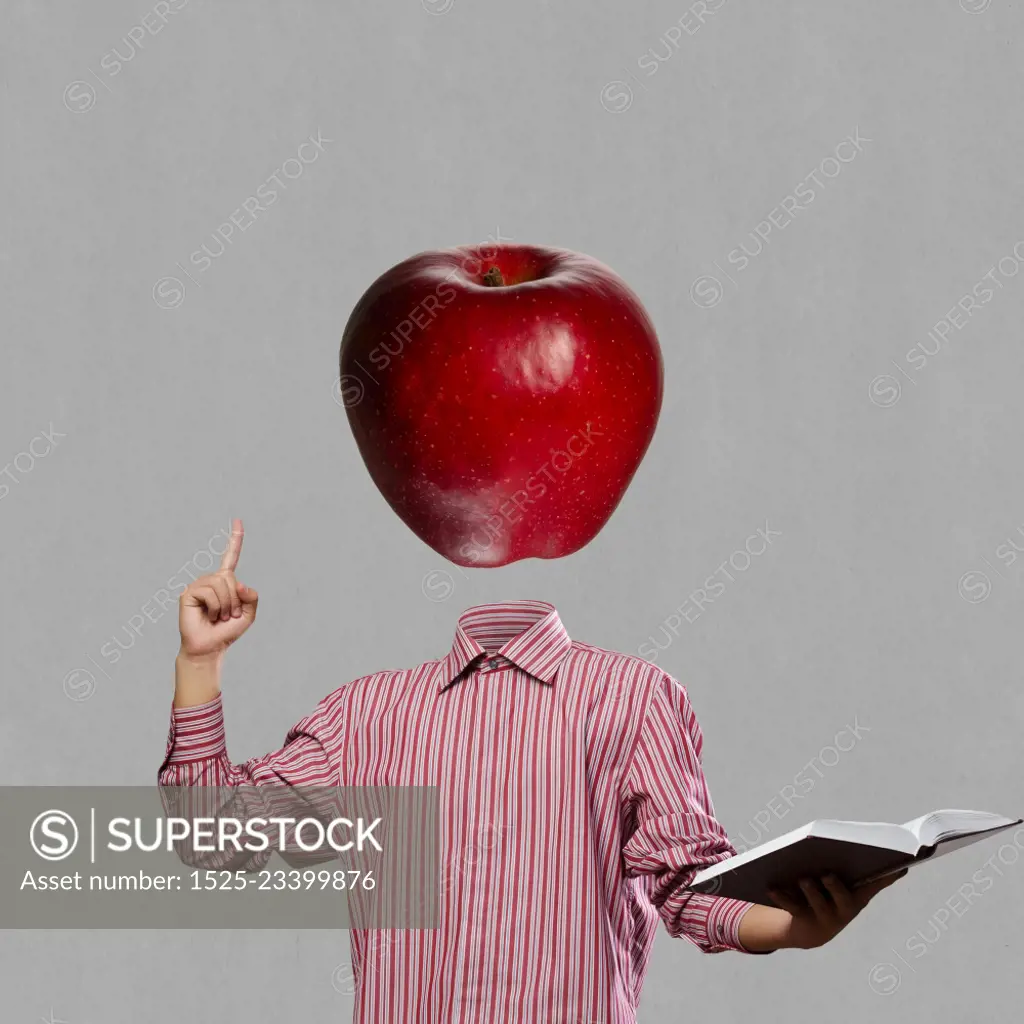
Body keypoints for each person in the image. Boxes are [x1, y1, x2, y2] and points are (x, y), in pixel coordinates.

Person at [160, 519, 904, 1023]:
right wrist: (201, 663)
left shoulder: (634, 696)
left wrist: (786, 925)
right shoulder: (368, 715)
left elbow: (684, 885)